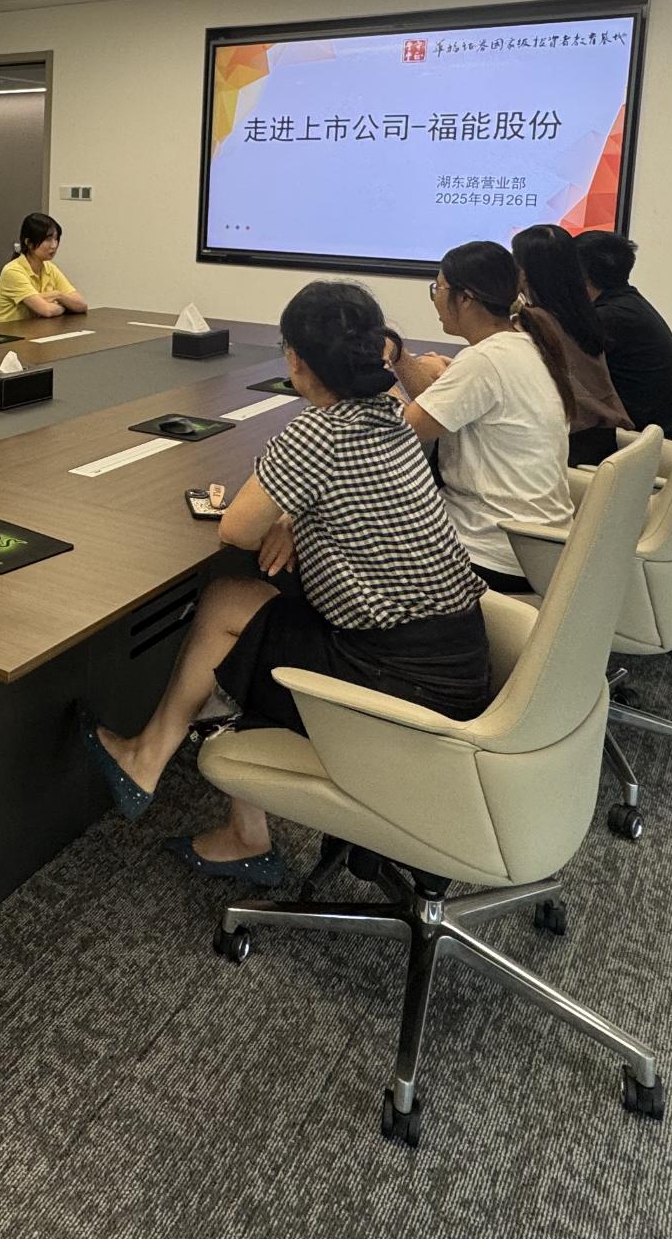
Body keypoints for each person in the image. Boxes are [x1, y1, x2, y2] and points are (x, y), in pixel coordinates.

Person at [81, 282, 491, 884]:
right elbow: (348, 495)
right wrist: (296, 517)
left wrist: (282, 517)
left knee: (235, 612)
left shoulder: (314, 434)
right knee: (249, 601)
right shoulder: (391, 414)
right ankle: (227, 817)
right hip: (459, 660)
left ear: (295, 359)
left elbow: (237, 530)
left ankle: (156, 762)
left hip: (398, 685)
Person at [388, 241, 580, 594]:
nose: (435, 299)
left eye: (438, 288)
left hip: (491, 550)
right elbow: (439, 407)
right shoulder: (524, 344)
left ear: (465, 298)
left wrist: (385, 382)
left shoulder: (484, 361)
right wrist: (405, 359)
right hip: (538, 547)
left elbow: (402, 430)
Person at [510, 223, 634, 467]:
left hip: (568, 450)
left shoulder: (534, 322)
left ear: (523, 273)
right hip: (601, 441)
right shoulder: (584, 314)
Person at [576, 229, 672, 442]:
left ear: (581, 274)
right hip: (653, 437)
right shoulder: (627, 306)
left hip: (636, 443)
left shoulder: (609, 317)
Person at [0, 211, 87, 328]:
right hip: (4, 334)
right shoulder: (13, 271)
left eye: (56, 239)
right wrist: (65, 306)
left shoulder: (49, 267)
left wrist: (58, 296)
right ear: (29, 243)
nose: (54, 245)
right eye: (48, 239)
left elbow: (81, 305)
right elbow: (46, 310)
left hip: (33, 331)